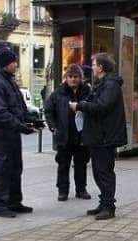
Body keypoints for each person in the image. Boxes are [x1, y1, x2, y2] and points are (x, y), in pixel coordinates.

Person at [0, 47, 43, 218]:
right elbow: (0, 113)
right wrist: (20, 126)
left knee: (15, 168)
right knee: (2, 169)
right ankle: (0, 205)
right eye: (13, 62)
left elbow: (18, 108)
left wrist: (31, 120)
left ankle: (14, 201)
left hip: (11, 133)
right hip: (2, 133)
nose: (16, 65)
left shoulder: (9, 81)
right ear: (6, 63)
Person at [69, 53, 127, 220]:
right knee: (98, 171)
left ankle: (109, 206)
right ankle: (104, 202)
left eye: (94, 64)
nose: (92, 67)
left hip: (105, 136)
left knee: (104, 172)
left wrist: (80, 105)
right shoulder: (103, 84)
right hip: (98, 135)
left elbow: (102, 107)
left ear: (101, 67)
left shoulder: (110, 85)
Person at [44, 64, 92, 201]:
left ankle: (81, 189)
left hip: (81, 134)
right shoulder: (58, 93)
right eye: (70, 77)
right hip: (64, 134)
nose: (72, 80)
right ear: (66, 78)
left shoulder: (87, 92)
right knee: (63, 164)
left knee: (81, 163)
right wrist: (53, 127)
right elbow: (48, 110)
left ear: (80, 78)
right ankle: (62, 190)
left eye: (75, 77)